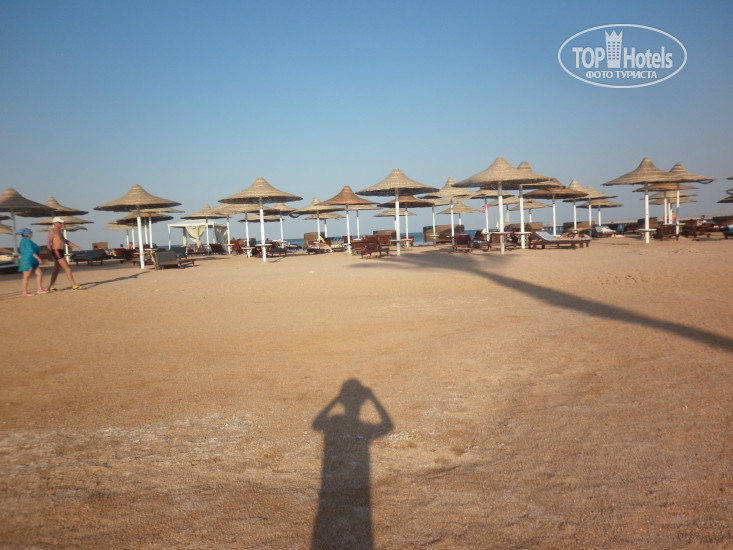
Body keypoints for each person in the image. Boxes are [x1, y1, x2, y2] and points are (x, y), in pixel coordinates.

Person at [46, 217, 82, 291]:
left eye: (62, 223)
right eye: (60, 223)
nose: (61, 224)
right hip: (56, 251)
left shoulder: (59, 231)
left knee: (56, 269)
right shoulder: (53, 231)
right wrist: (50, 254)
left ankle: (51, 286)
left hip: (61, 251)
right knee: (67, 268)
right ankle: (74, 285)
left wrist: (75, 246)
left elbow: (65, 240)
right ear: (55, 223)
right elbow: (48, 243)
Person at [16, 228, 48, 297]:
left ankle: (40, 289)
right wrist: (38, 259)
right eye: (31, 233)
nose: (32, 235)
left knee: (39, 273)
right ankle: (24, 292)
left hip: (32, 260)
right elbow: (31, 251)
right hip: (28, 260)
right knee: (26, 276)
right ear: (28, 234)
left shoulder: (25, 241)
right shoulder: (26, 241)